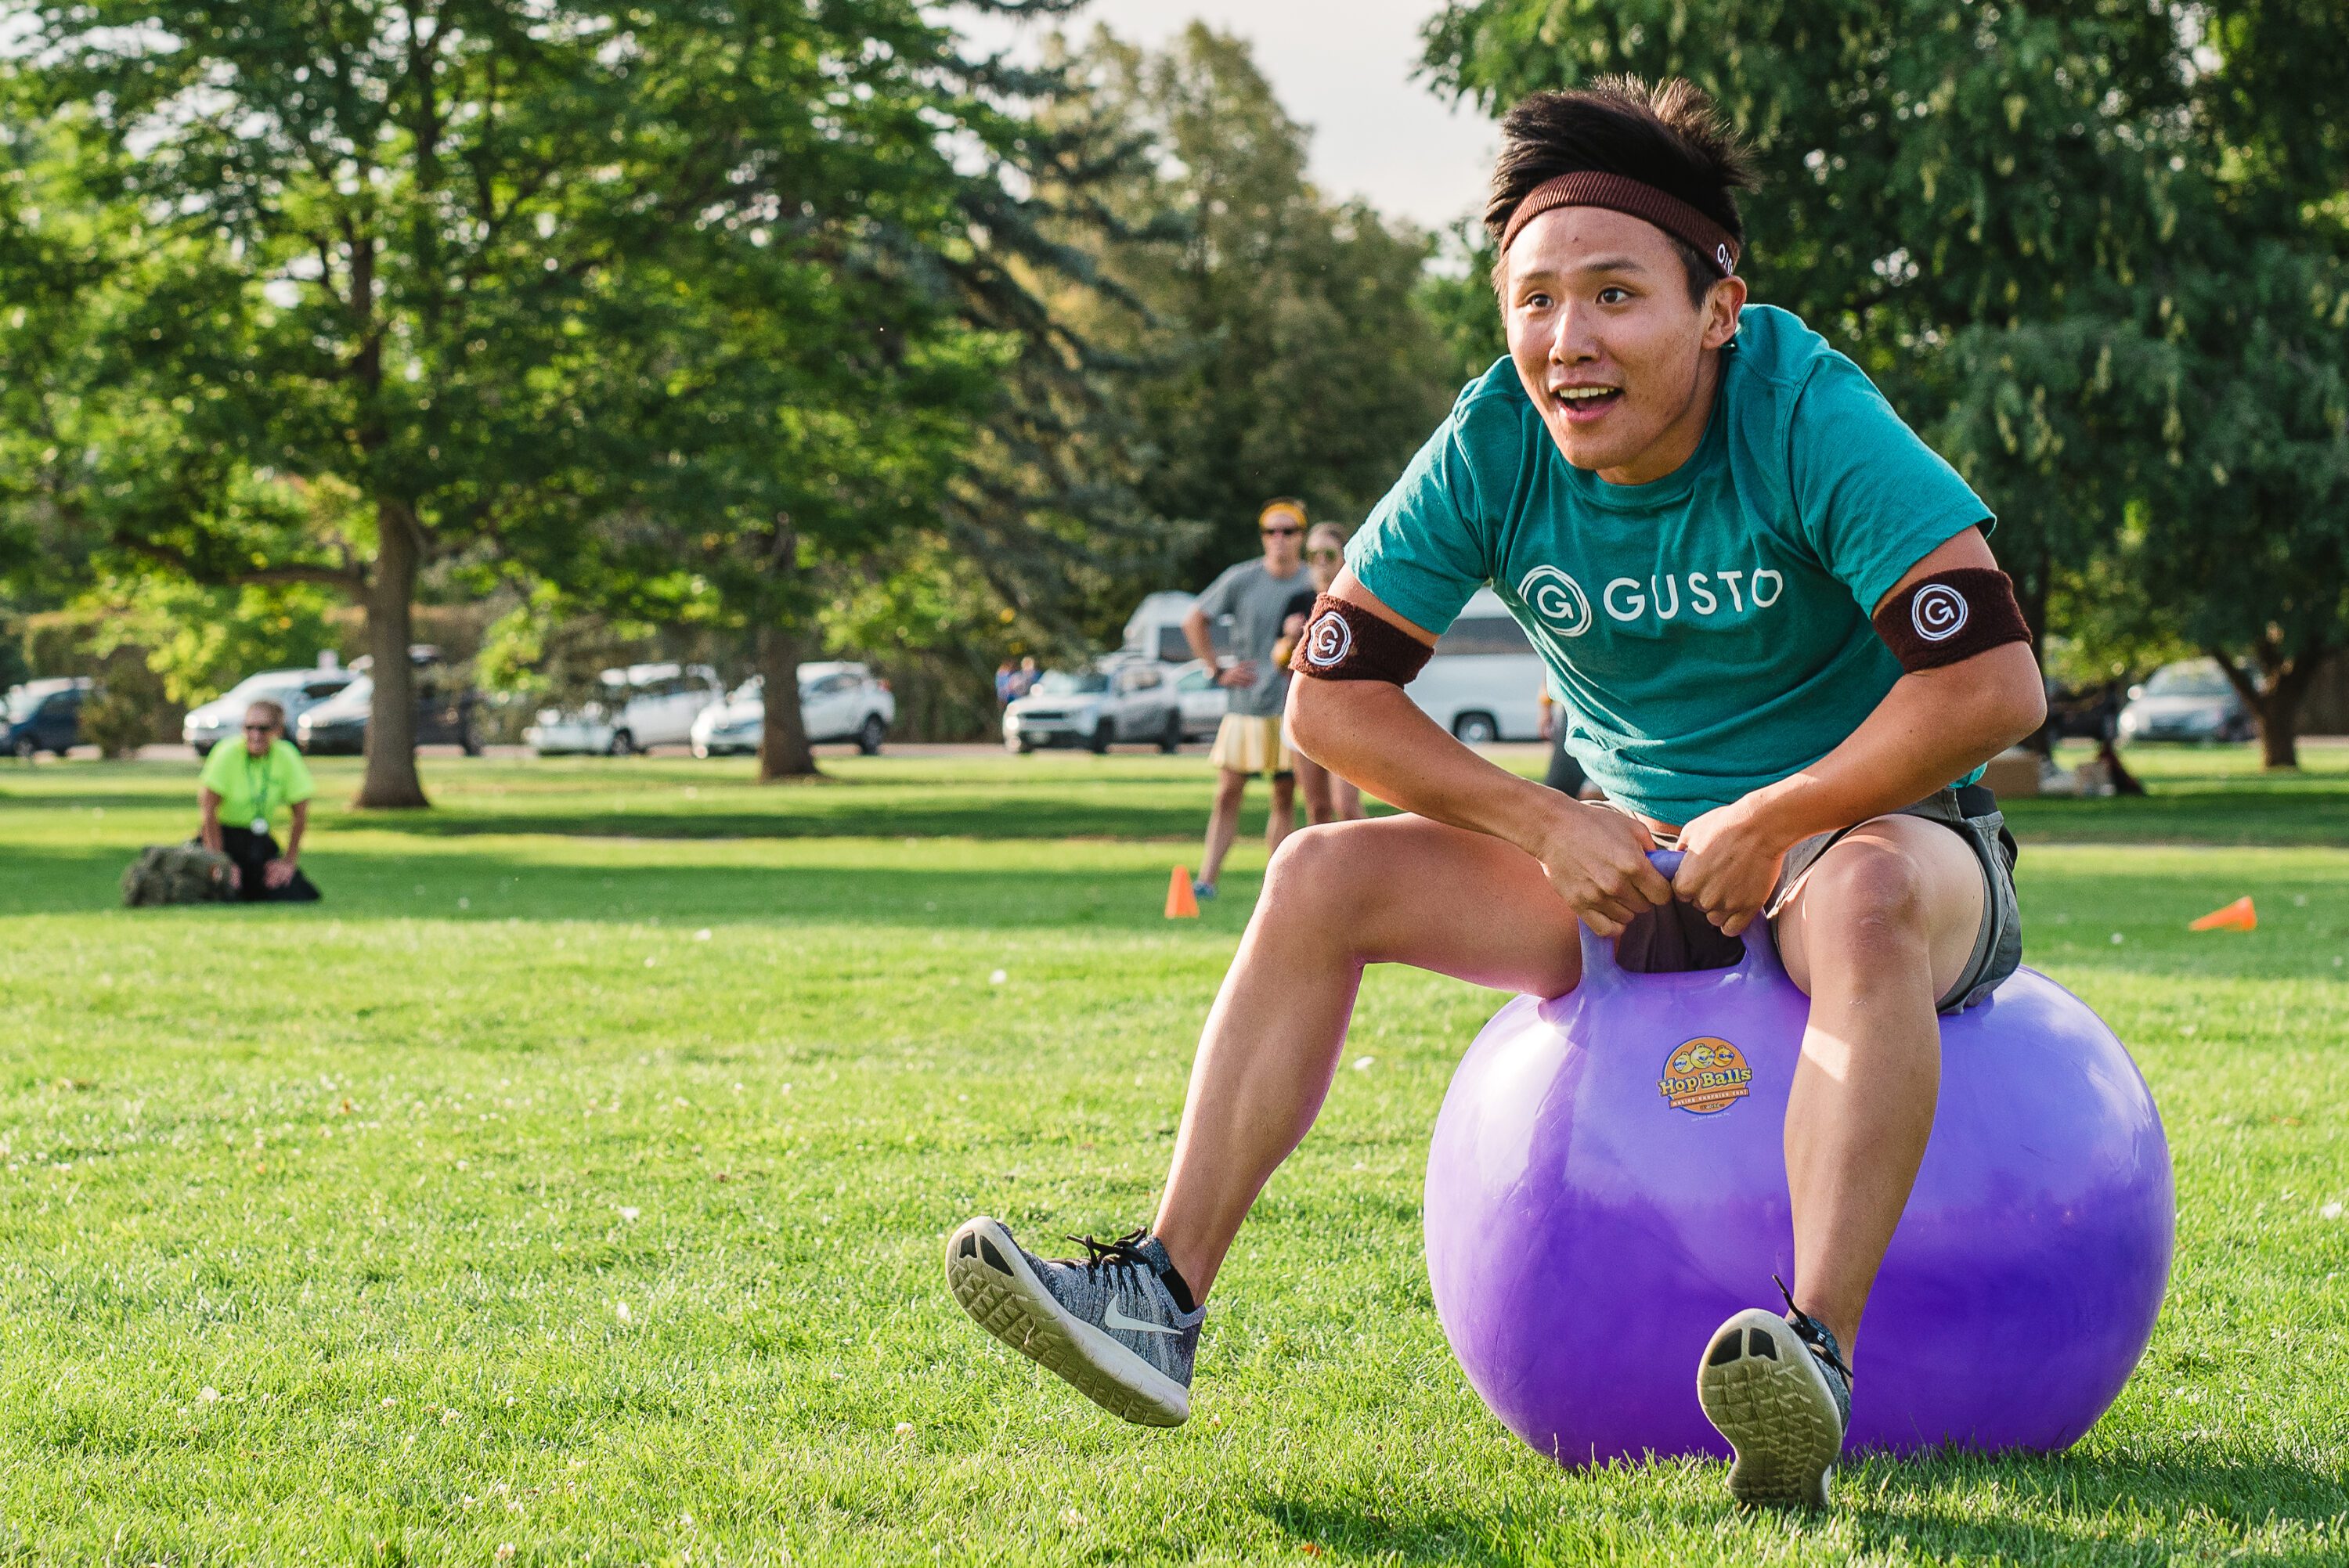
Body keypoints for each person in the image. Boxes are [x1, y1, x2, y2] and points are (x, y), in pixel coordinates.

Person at [946, 76, 2048, 1513]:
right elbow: (1330, 698)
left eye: (1613, 295)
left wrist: (1779, 818)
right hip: (1634, 856)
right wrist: (1546, 820)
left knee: (1865, 894)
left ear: (1718, 308)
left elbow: (1994, 689)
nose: (1567, 341)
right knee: (1315, 878)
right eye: (1534, 302)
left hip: (1885, 845)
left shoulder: (1805, 410)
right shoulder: (1496, 438)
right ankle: (1159, 1294)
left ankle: (1815, 1356)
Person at [1182, 499, 1312, 899]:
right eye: (1271, 531)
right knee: (1227, 792)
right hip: (1245, 705)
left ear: (1301, 537)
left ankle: (1278, 888)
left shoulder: (1313, 582)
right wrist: (1217, 669)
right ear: (1262, 537)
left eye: (1288, 531)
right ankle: (1206, 881)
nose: (1279, 539)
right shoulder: (1242, 579)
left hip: (1290, 705)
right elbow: (1194, 619)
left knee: (1284, 794)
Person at [1280, 522, 1366, 825]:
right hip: (1304, 710)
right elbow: (1278, 660)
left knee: (1346, 805)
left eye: (1328, 553)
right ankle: (1324, 874)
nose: (1319, 560)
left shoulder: (1358, 600)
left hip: (1345, 712)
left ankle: (1365, 872)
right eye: (1313, 553)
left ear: (1344, 556)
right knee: (1316, 808)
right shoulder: (1298, 601)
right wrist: (1291, 641)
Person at [197, 699, 321, 902]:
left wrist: (288, 862)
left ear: (277, 731)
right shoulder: (226, 753)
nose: (255, 735)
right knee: (223, 890)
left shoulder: (286, 756)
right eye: (249, 728)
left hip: (258, 840)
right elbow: (208, 810)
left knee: (293, 892)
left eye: (263, 729)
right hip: (222, 838)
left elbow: (300, 815)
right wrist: (221, 860)